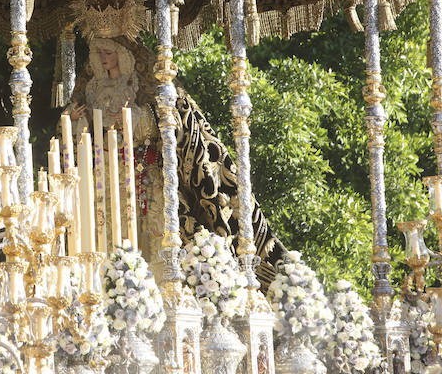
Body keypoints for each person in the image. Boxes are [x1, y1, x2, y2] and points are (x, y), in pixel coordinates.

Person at [65, 34, 286, 286]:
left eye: (108, 52)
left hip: (141, 169)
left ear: (122, 54)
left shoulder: (139, 83)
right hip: (104, 172)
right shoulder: (92, 88)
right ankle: (105, 284)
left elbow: (163, 124)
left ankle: (158, 285)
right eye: (99, 53)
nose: (103, 58)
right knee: (107, 226)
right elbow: (81, 134)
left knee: (151, 226)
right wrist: (75, 120)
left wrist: (134, 117)